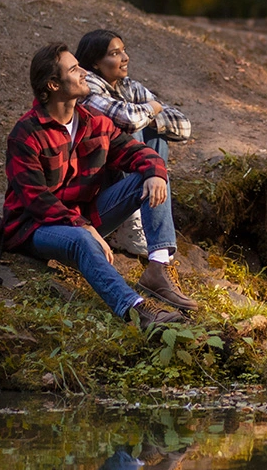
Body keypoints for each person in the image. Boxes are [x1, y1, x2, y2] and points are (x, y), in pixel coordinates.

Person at [3, 42, 197, 328]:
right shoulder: (26, 134)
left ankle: (157, 267)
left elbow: (138, 153)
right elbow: (36, 200)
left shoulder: (94, 122)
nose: (84, 72)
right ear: (54, 85)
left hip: (85, 217)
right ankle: (136, 310)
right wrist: (82, 226)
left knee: (151, 173)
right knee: (81, 239)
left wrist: (156, 172)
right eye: (74, 69)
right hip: (35, 228)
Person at [73, 29, 195, 308]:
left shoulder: (129, 86)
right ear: (95, 62)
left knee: (155, 136)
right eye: (115, 53)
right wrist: (152, 109)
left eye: (124, 50)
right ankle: (135, 227)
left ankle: (155, 255)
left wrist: (149, 115)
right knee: (137, 137)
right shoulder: (86, 88)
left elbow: (184, 126)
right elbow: (127, 119)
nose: (125, 58)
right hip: (98, 197)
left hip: (123, 183)